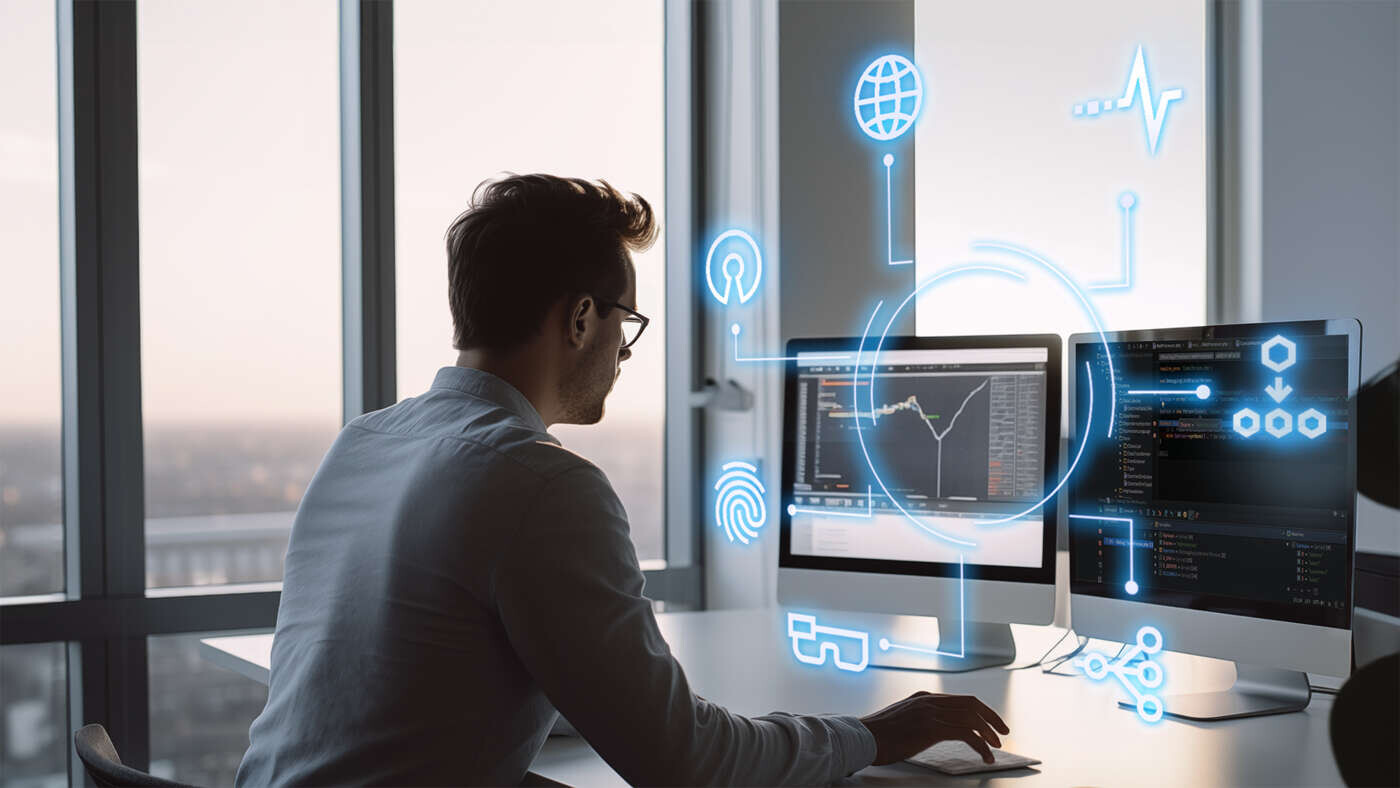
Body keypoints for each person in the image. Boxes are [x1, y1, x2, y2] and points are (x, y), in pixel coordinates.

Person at [235, 174, 1010, 786]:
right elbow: (686, 766)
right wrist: (875, 735)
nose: (626, 352)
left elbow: (416, 684)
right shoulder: (540, 485)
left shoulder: (363, 444)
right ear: (579, 319)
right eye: (625, 323)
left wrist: (625, 702)